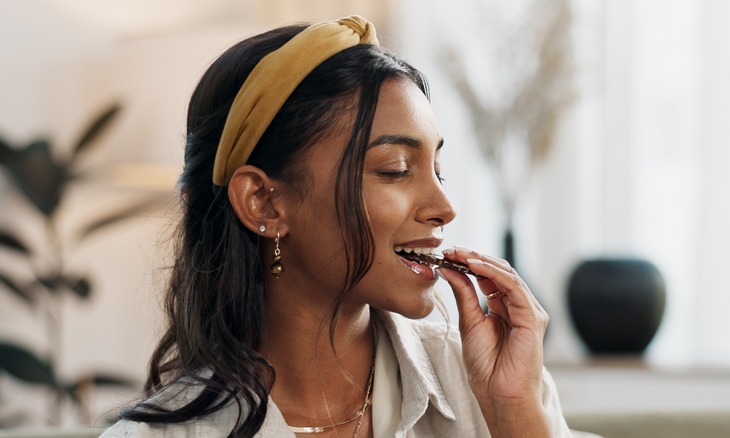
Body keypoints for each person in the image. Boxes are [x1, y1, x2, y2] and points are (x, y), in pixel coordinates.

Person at [101, 15, 596, 438]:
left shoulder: (487, 384)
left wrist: (517, 413)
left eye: (438, 171)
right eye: (395, 169)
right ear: (264, 202)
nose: (444, 206)